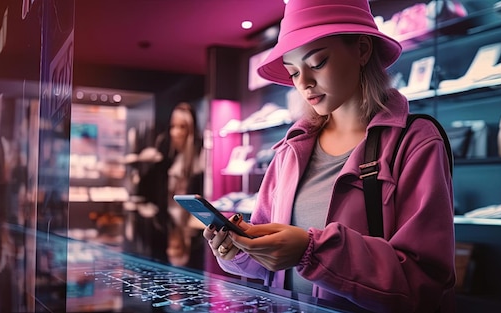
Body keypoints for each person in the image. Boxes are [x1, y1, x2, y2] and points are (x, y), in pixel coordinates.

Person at [203, 0, 456, 312]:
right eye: (293, 72)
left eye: (318, 62)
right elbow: (270, 263)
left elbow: (423, 281)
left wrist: (312, 251)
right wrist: (240, 250)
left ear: (363, 50)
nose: (304, 83)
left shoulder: (414, 142)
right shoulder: (290, 150)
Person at [138, 102, 205, 268]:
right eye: (173, 126)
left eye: (182, 127)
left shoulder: (199, 159)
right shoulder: (167, 159)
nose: (175, 132)